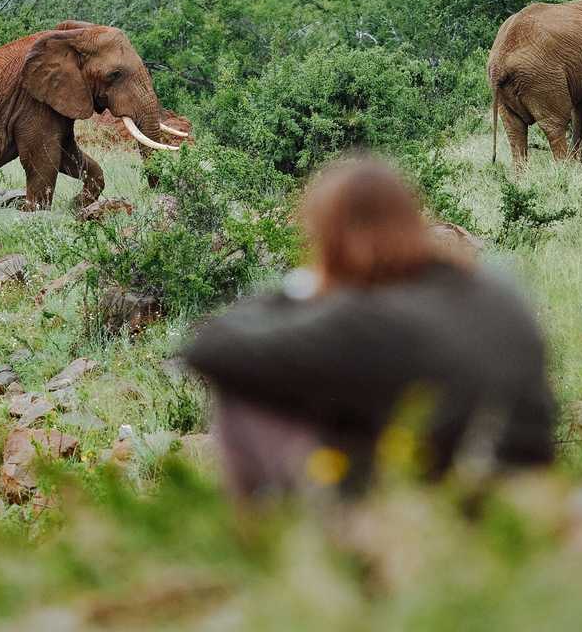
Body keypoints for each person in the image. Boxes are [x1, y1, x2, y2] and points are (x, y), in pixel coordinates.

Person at [183, 156, 555, 500]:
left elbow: (208, 348)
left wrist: (298, 287)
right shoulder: (497, 287)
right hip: (525, 483)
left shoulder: (365, 319)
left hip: (445, 502)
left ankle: (269, 544)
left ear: (331, 242)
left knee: (243, 396)